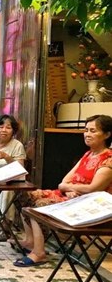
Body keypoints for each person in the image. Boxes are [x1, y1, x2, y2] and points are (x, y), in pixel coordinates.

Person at [13, 114, 112, 267]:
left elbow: (93, 189)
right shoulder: (88, 154)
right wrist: (69, 189)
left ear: (107, 134)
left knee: (40, 205)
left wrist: (71, 188)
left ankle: (39, 252)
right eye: (86, 130)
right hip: (72, 197)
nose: (87, 134)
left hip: (91, 204)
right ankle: (30, 241)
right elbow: (63, 182)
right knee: (24, 195)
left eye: (93, 131)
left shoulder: (108, 159)